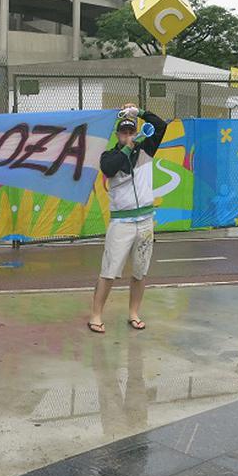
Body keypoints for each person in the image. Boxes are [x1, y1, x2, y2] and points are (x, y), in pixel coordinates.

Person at [88, 105, 168, 334]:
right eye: (124, 132)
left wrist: (139, 111)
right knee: (109, 271)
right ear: (117, 135)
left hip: (144, 222)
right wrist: (126, 148)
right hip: (121, 224)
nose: (128, 136)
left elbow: (161, 126)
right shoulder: (110, 156)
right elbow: (110, 169)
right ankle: (96, 315)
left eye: (131, 132)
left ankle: (134, 312)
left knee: (140, 271)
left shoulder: (146, 150)